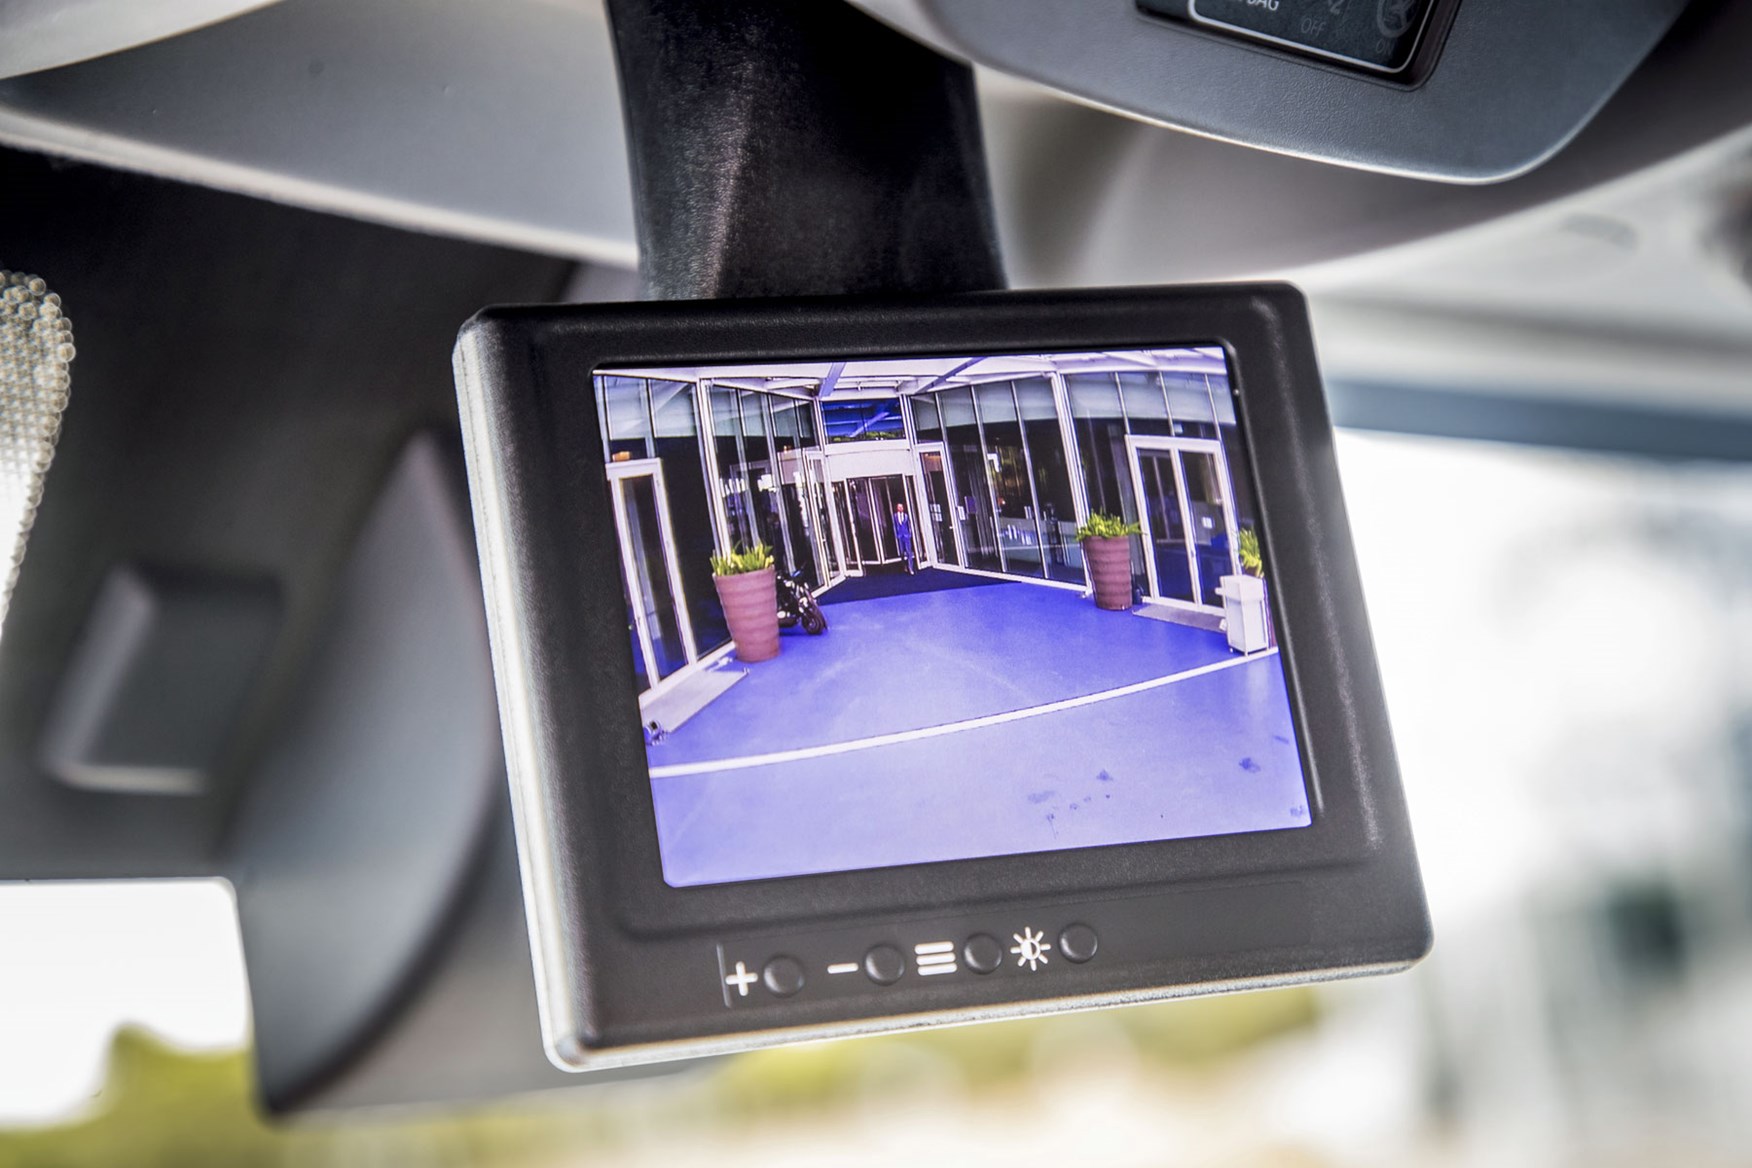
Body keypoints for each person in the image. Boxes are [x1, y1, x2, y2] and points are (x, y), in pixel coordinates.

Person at [893, 500, 917, 574]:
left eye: (901, 507)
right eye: (899, 507)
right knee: (902, 552)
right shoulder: (895, 516)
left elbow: (909, 525)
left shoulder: (906, 516)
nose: (900, 508)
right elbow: (894, 526)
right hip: (900, 536)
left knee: (909, 552)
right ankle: (904, 566)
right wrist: (896, 535)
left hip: (906, 536)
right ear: (897, 508)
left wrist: (910, 534)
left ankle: (911, 568)